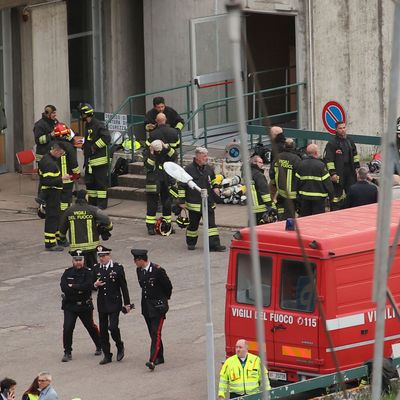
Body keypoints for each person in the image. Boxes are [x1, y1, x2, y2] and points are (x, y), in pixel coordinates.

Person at [178, 147, 226, 252]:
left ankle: (214, 245)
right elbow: (182, 186)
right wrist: (181, 201)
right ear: (197, 156)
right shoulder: (188, 170)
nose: (206, 158)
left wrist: (216, 187)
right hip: (194, 204)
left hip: (208, 203)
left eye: (206, 155)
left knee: (211, 226)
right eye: (204, 156)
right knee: (193, 226)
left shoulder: (208, 168)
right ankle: (191, 243)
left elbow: (213, 180)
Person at [132, 248, 172, 371]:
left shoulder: (157, 271)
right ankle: (160, 355)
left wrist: (163, 301)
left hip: (158, 308)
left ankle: (152, 360)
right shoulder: (139, 271)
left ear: (141, 260)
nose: (134, 263)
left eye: (135, 260)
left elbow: (168, 287)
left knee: (156, 333)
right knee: (153, 333)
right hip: (147, 308)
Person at [60, 249, 101, 362]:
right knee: (67, 328)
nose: (78, 262)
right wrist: (79, 288)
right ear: (72, 261)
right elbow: (64, 287)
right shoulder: (67, 273)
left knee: (90, 326)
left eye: (80, 260)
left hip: (84, 306)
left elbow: (88, 286)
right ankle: (67, 352)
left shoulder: (89, 272)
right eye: (76, 260)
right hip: (70, 306)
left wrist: (73, 286)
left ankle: (99, 345)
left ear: (83, 260)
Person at [92, 245, 131, 365]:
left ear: (109, 255)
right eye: (99, 256)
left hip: (114, 302)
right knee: (103, 331)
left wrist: (127, 303)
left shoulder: (117, 268)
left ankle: (119, 345)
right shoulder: (96, 268)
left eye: (103, 256)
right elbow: (91, 284)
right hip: (102, 303)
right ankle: (107, 355)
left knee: (113, 327)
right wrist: (95, 285)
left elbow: (123, 286)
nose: (101, 259)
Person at [59, 189, 113, 269]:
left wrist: (62, 238)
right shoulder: (93, 209)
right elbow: (106, 219)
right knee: (93, 268)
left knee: (79, 268)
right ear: (86, 197)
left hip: (76, 247)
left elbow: (62, 227)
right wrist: (109, 227)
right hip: (92, 246)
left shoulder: (69, 211)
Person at [38, 142, 70, 251]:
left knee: (56, 216)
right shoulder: (49, 163)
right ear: (56, 150)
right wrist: (62, 179)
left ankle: (57, 239)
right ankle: (50, 243)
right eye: (60, 153)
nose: (61, 156)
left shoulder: (48, 159)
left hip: (53, 193)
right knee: (52, 218)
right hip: (51, 193)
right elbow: (47, 182)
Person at [79, 103, 111, 209]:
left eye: (81, 114)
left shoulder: (98, 124)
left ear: (85, 114)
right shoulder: (88, 125)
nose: (81, 116)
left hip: (99, 161)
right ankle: (92, 203)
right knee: (90, 184)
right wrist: (85, 145)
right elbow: (90, 139)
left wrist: (94, 147)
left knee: (100, 184)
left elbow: (106, 138)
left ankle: (102, 205)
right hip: (90, 161)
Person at [143, 139, 177, 235]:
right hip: (152, 182)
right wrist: (152, 154)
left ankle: (167, 225)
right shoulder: (147, 153)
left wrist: (167, 148)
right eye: (157, 151)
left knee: (167, 204)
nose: (159, 152)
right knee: (152, 204)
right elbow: (149, 166)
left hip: (165, 181)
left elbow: (174, 156)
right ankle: (150, 226)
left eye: (160, 150)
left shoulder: (165, 150)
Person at [324, 121, 360, 210]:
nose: (343, 130)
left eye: (344, 128)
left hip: (350, 171)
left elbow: (355, 155)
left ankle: (352, 211)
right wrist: (333, 173)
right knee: (337, 195)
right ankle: (336, 212)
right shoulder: (332, 143)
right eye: (340, 128)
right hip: (338, 172)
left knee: (352, 192)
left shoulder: (350, 141)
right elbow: (329, 160)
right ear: (336, 130)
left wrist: (357, 168)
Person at [296, 144, 334, 217]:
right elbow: (328, 184)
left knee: (305, 220)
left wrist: (298, 197)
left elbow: (296, 182)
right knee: (317, 221)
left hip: (304, 199)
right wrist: (331, 197)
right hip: (318, 200)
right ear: (316, 153)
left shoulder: (301, 164)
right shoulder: (321, 165)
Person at [269, 138, 301, 220]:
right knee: (290, 217)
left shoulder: (278, 157)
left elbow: (272, 173)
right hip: (292, 196)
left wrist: (274, 185)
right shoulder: (296, 159)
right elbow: (300, 176)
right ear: (294, 146)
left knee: (281, 213)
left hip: (280, 193)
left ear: (284, 146)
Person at [53, 123, 81, 214]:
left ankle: (55, 211)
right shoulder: (68, 146)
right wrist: (77, 173)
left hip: (54, 178)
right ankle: (64, 213)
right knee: (66, 196)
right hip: (67, 178)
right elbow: (73, 162)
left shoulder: (52, 146)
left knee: (56, 195)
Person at [249, 155, 276, 225]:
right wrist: (269, 204)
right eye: (260, 162)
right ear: (254, 163)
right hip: (260, 207)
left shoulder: (247, 173)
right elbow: (264, 191)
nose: (262, 164)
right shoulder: (259, 175)